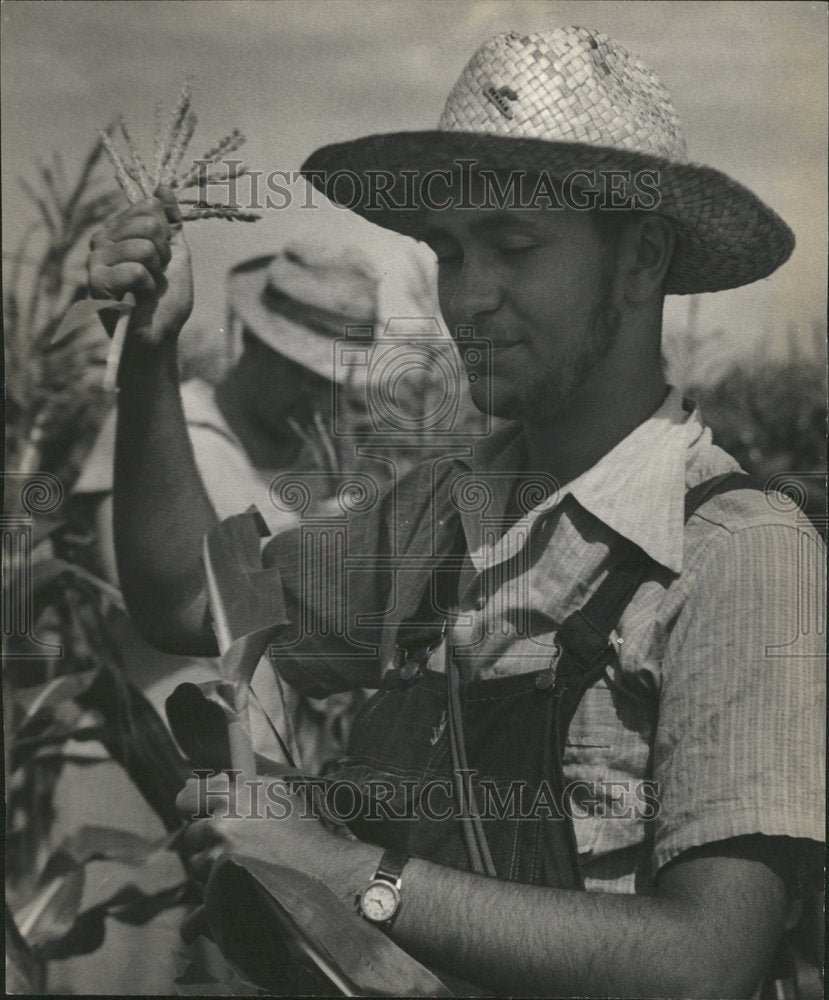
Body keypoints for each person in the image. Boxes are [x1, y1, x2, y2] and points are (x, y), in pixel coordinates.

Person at [87, 26, 824, 998]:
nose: (468, 298)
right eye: (447, 251)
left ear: (641, 257)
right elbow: (189, 596)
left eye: (513, 247)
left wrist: (350, 873)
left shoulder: (738, 553)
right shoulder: (437, 515)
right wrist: (148, 357)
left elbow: (705, 963)